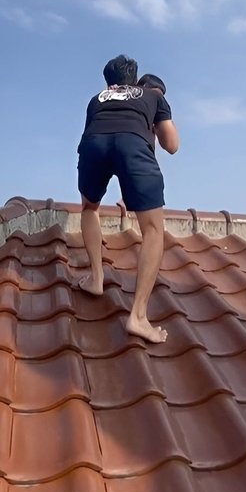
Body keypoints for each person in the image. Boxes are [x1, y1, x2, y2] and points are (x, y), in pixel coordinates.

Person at [77, 55, 179, 343]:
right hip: (133, 145)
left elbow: (98, 135)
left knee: (89, 208)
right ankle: (138, 317)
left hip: (94, 144)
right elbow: (171, 145)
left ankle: (96, 279)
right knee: (152, 230)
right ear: (135, 79)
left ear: (109, 81)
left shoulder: (97, 98)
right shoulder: (153, 95)